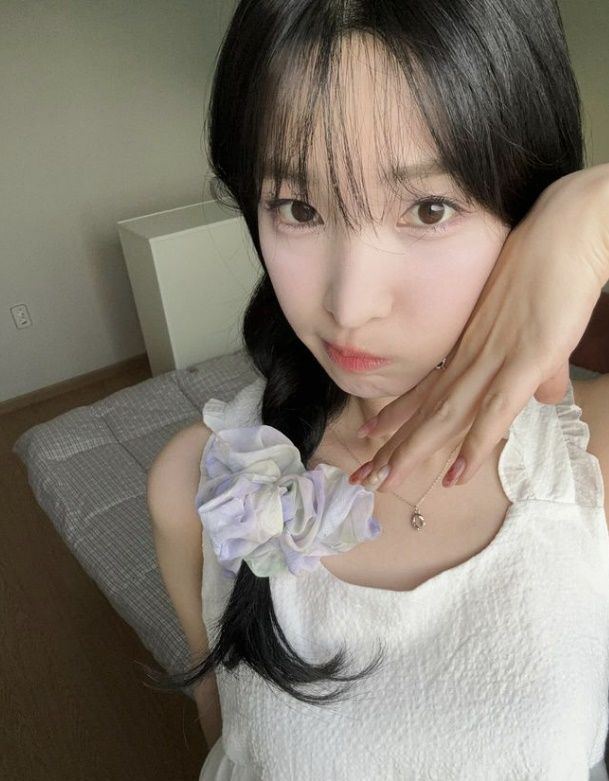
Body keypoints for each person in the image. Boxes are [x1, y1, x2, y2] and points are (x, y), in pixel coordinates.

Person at [145, 1, 609, 778]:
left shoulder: (587, 462)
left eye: (428, 208)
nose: (348, 303)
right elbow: (227, 739)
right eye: (298, 208)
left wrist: (591, 213)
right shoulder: (197, 483)